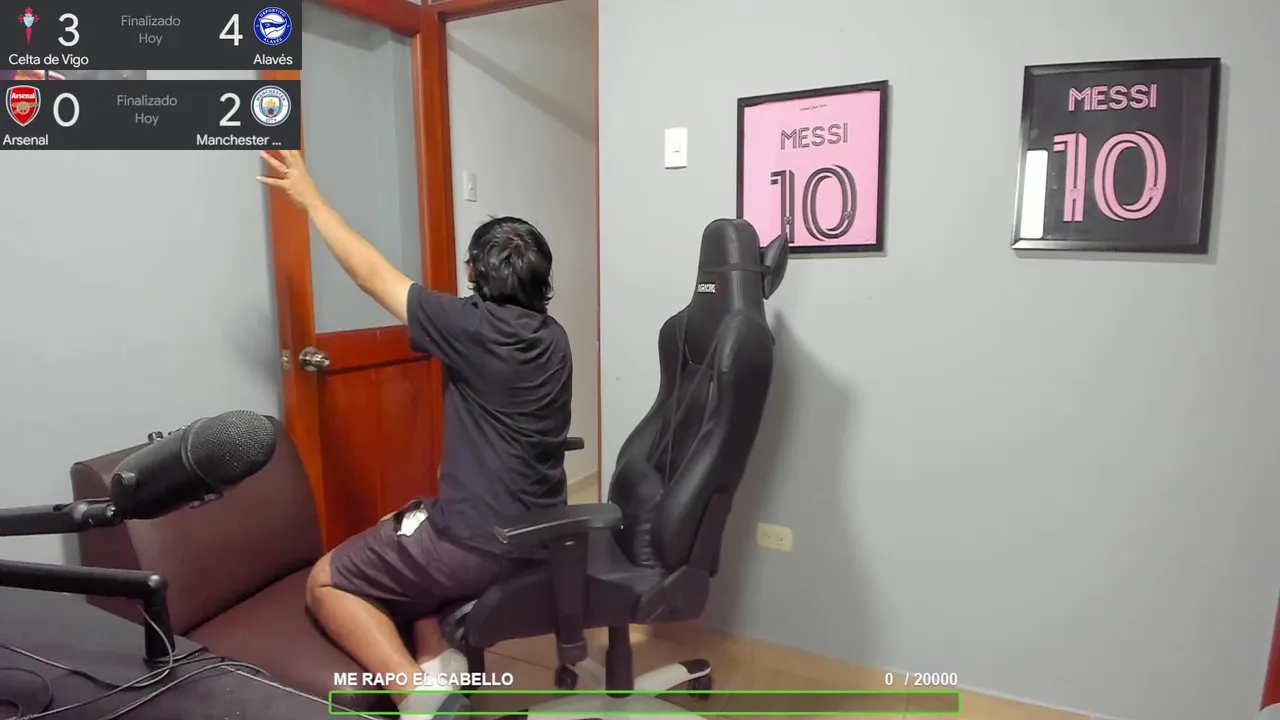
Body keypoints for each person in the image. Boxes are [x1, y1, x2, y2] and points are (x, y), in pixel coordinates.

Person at [256, 151, 572, 716]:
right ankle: (438, 661)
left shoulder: (469, 326)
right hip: (541, 536)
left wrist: (311, 199)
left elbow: (370, 273)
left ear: (474, 274)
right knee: (401, 520)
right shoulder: (554, 338)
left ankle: (417, 697)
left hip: (477, 544)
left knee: (325, 581)